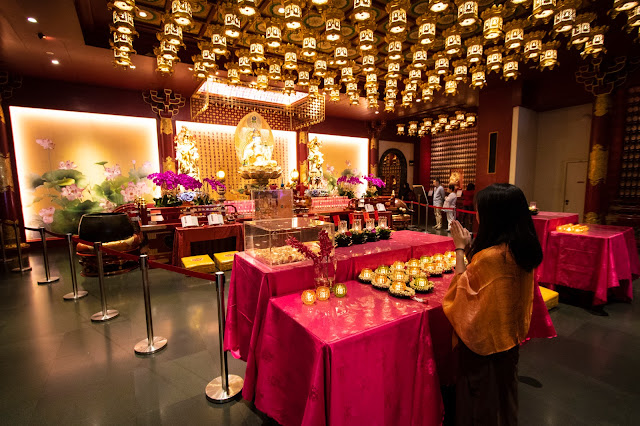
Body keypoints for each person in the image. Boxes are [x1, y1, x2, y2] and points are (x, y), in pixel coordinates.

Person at [443, 184, 543, 426]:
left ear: (494, 217)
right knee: (503, 399)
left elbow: (461, 295)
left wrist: (458, 248)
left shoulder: (492, 257)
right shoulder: (520, 248)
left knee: (481, 406)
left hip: (483, 348)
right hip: (508, 341)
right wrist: (469, 250)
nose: (477, 215)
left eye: (480, 210)